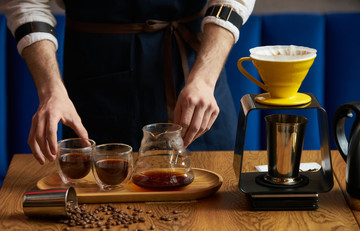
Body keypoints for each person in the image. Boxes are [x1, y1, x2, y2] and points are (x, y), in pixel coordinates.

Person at [0, 0, 255, 165]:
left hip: (197, 80)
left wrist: (204, 79)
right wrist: (51, 92)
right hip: (95, 82)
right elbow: (26, 3)